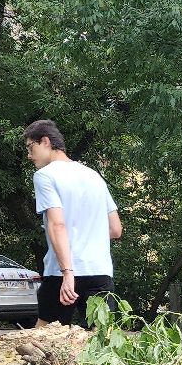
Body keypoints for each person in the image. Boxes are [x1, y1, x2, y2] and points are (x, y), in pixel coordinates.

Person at [24, 119, 121, 326]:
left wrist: (68, 273)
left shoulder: (45, 176)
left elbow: (56, 224)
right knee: (101, 342)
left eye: (31, 148)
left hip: (62, 273)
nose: (29, 156)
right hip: (99, 271)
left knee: (44, 342)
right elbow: (115, 229)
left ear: (46, 142)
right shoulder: (94, 176)